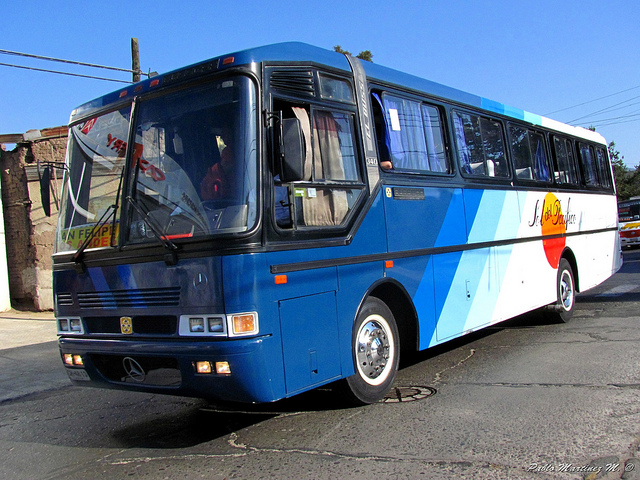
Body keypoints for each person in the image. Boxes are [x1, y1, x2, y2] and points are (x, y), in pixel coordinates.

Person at [201, 128, 234, 200]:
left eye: (224, 134)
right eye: (222, 134)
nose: (222, 137)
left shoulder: (229, 152)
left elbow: (226, 167)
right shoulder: (227, 151)